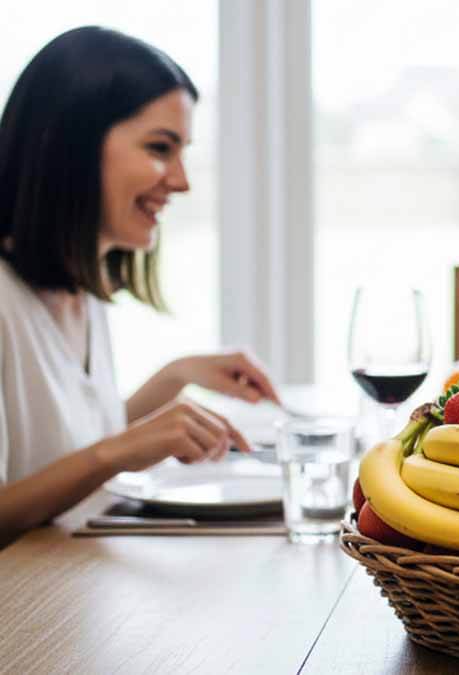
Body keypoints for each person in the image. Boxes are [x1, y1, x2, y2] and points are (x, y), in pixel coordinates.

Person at [0, 27, 281, 546]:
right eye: (159, 147)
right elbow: (88, 459)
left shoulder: (81, 290)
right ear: (70, 146)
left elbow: (64, 448)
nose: (181, 180)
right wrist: (121, 450)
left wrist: (176, 377)